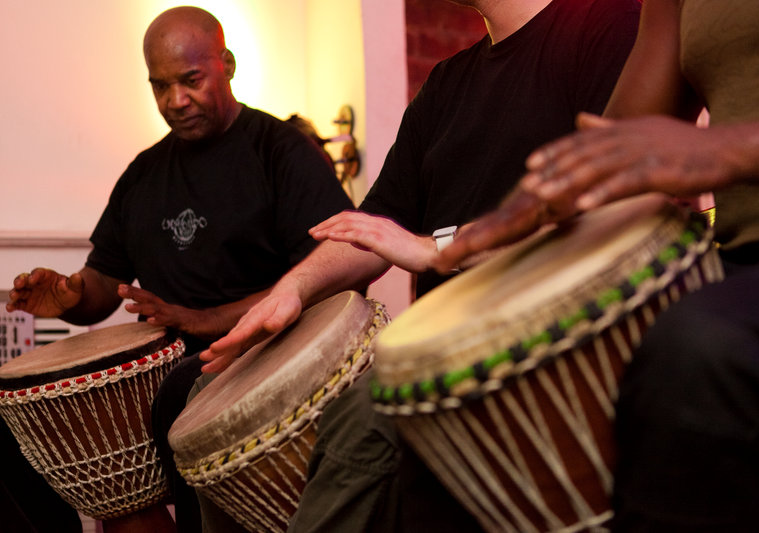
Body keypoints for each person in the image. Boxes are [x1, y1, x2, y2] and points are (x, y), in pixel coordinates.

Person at [199, 0, 640, 530]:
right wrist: (291, 289)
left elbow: (608, 207)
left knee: (367, 417)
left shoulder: (606, 25)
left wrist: (437, 248)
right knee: (208, 401)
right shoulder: (448, 82)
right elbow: (374, 227)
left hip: (550, 336)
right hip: (441, 343)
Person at [435, 1, 759, 531]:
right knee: (437, 393)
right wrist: (541, 196)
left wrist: (722, 148)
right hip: (742, 268)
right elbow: (632, 125)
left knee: (701, 346)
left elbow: (687, 145)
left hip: (748, 300)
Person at [4, 6, 353, 533]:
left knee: (180, 396)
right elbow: (104, 278)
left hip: (269, 359)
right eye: (160, 86)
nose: (175, 101)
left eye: (190, 80)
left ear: (227, 64)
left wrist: (210, 319)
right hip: (172, 366)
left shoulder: (281, 153)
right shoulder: (144, 175)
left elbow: (336, 271)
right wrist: (72, 296)